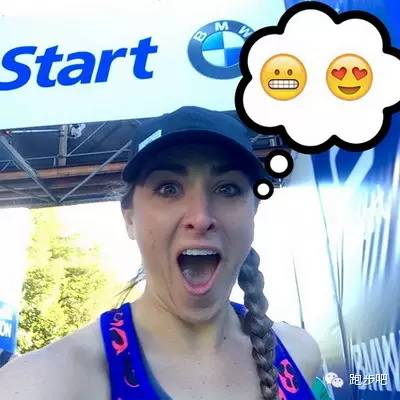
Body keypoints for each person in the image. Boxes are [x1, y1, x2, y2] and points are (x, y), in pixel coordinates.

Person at [0, 106, 322, 400]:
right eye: (168, 188)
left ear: (254, 212)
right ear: (129, 219)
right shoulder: (46, 383)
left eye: (227, 188)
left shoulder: (299, 354)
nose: (200, 217)